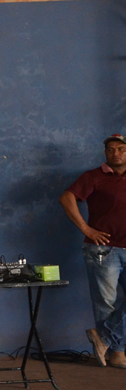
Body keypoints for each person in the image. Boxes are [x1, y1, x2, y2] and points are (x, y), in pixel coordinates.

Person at [60, 134, 126, 369]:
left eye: (121, 149)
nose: (116, 153)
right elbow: (67, 198)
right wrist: (86, 229)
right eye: (110, 149)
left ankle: (104, 338)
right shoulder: (93, 177)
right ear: (105, 153)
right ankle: (117, 354)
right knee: (106, 303)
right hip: (103, 250)